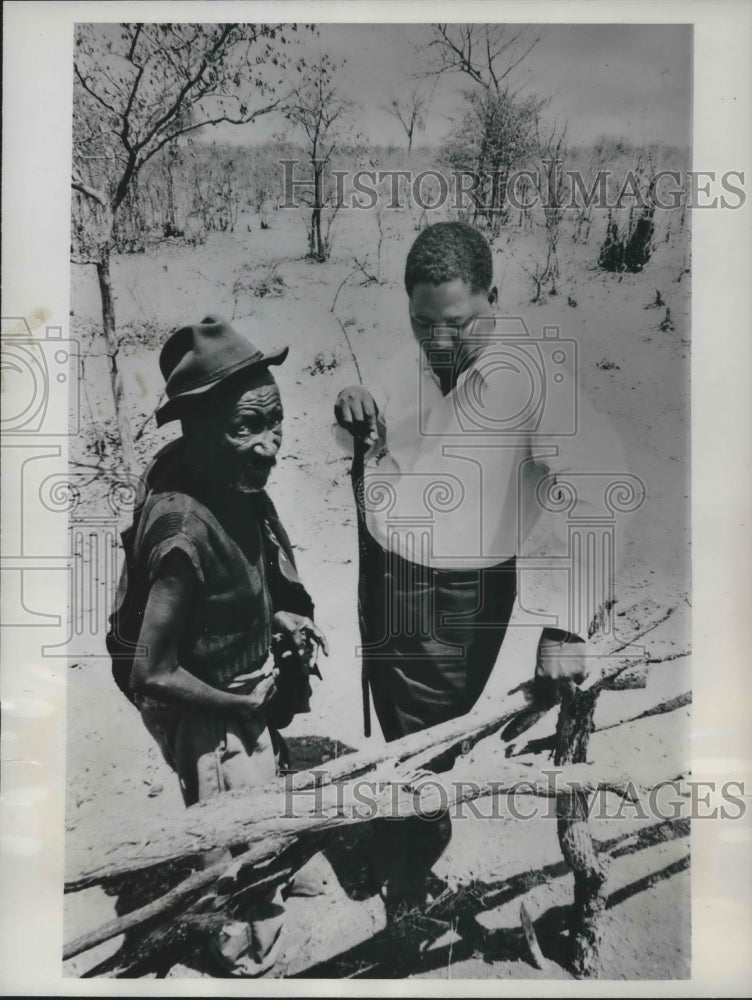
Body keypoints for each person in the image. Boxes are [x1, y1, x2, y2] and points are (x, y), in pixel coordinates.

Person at [334, 221, 629, 919]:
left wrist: (566, 621)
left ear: (493, 297)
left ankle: (407, 878)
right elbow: (370, 433)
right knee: (400, 734)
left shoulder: (531, 379)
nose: (437, 341)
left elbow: (600, 481)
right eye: (421, 323)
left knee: (426, 745)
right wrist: (353, 410)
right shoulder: (405, 357)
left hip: (461, 597)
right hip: (386, 577)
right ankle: (399, 840)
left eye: (456, 324)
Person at [107, 315, 328, 976]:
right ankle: (239, 938)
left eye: (274, 421)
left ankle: (269, 869)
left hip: (240, 680)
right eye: (246, 428)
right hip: (200, 698)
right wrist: (232, 708)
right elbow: (152, 670)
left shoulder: (227, 477)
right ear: (197, 428)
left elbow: (253, 563)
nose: (268, 446)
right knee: (219, 818)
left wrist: (282, 615)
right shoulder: (179, 530)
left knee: (261, 780)